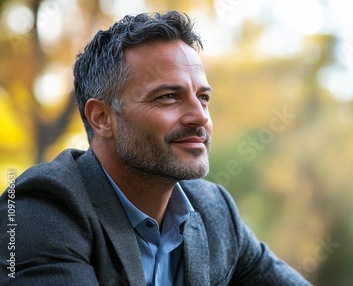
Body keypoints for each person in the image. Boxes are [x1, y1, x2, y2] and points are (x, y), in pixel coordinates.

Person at [0, 10, 311, 286]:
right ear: (102, 118)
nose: (200, 116)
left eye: (203, 97)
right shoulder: (41, 208)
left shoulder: (214, 210)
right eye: (168, 97)